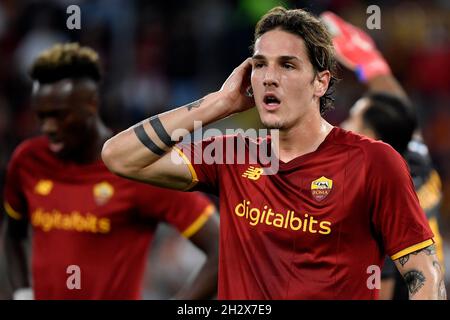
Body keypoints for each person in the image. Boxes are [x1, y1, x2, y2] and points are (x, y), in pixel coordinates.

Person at [102, 7, 446, 299]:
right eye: (260, 64)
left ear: (320, 82)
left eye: (287, 65)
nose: (269, 77)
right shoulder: (232, 154)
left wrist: (373, 66)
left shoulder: (375, 162)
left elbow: (424, 273)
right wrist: (219, 103)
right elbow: (119, 156)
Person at [3, 43, 219, 300]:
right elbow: (13, 233)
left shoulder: (136, 168)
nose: (48, 127)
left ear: (92, 104)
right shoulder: (28, 160)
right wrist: (21, 291)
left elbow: (222, 247)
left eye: (59, 116)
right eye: (42, 116)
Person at [321, 11, 446, 300]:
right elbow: (395, 102)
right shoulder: (415, 152)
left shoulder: (383, 202)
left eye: (354, 119)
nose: (345, 125)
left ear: (374, 140)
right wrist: (368, 61)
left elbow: (381, 286)